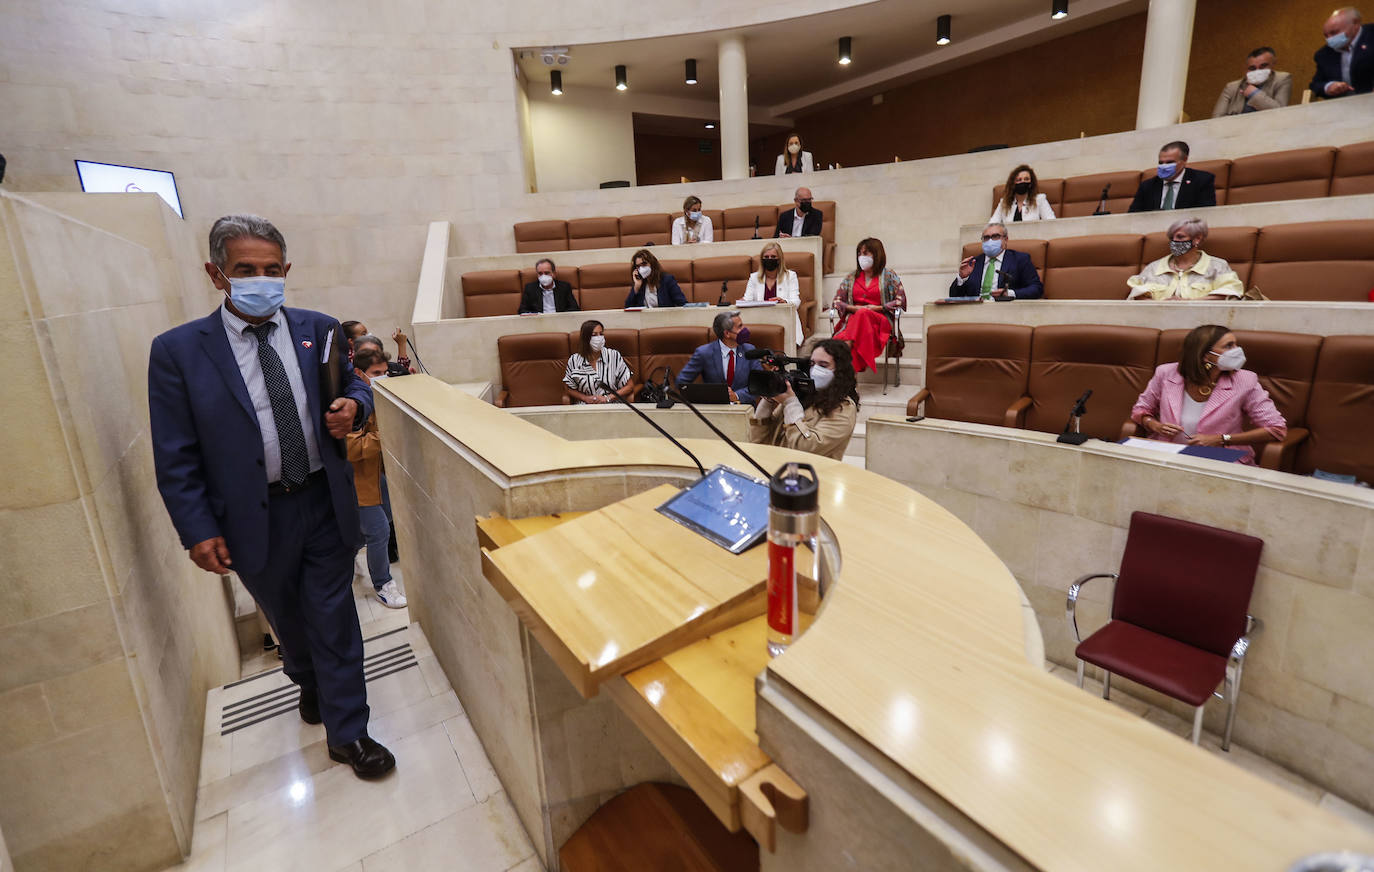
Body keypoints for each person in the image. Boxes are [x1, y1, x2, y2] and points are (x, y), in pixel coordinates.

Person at [148, 214, 395, 778]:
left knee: (334, 616)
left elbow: (356, 380)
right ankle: (307, 681)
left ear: (287, 271)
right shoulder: (179, 351)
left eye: (272, 269)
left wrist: (356, 405)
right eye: (246, 270)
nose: (262, 279)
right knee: (288, 620)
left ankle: (348, 733)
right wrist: (198, 528)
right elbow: (175, 452)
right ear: (217, 274)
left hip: (323, 501)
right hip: (251, 517)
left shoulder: (321, 327)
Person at [1130, 324, 1286, 465]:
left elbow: (1276, 428)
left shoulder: (1245, 380)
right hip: (1170, 454)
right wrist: (1155, 425)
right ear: (1205, 355)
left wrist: (1221, 439)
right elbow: (1140, 410)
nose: (1237, 351)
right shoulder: (1166, 373)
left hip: (1220, 459)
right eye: (1229, 346)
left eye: (1236, 344)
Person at [346, 348, 406, 609]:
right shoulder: (353, 402)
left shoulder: (376, 393)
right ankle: (383, 585)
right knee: (379, 530)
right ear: (359, 373)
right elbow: (352, 448)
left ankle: (344, 555)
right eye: (376, 373)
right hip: (358, 479)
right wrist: (387, 433)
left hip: (376, 475)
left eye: (385, 372)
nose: (383, 377)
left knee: (385, 520)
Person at [749, 339, 859, 460]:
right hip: (777, 469)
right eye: (812, 364)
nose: (815, 370)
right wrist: (769, 396)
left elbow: (804, 449)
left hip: (814, 475)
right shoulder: (802, 395)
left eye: (823, 365)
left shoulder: (844, 409)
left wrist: (791, 403)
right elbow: (758, 440)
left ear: (840, 371)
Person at [830, 238, 906, 373]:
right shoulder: (851, 277)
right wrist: (854, 308)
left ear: (877, 255)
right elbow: (837, 301)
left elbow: (900, 300)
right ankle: (850, 383)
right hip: (854, 321)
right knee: (858, 319)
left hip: (879, 321)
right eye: (859, 253)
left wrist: (878, 308)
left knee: (856, 323)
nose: (861, 257)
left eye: (866, 253)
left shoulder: (889, 276)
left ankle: (846, 377)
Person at [1127, 217, 1243, 301]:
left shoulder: (1218, 266)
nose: (1174, 241)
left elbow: (1228, 294)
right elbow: (1137, 295)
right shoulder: (1154, 267)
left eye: (1180, 237)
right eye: (1171, 238)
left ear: (1197, 239)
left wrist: (1188, 303)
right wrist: (1159, 305)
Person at [676, 310, 762, 405]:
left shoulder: (749, 350)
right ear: (727, 334)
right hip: (715, 410)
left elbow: (760, 385)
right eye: (740, 326)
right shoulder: (704, 353)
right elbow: (681, 382)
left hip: (745, 409)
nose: (745, 329)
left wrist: (737, 396)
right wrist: (710, 395)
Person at [950, 223, 1044, 300]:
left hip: (1005, 311)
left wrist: (1009, 293)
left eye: (995, 236)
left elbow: (1037, 289)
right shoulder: (973, 263)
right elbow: (954, 296)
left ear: (1006, 239)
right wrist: (962, 278)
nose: (990, 241)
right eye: (986, 238)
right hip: (975, 312)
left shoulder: (1020, 259)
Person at [1128, 141, 1217, 213]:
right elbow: (1133, 215)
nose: (1164, 166)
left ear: (1184, 160)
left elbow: (1206, 213)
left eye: (1169, 162)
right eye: (1161, 163)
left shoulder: (1202, 180)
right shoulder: (1147, 186)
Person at [563, 320, 633, 404]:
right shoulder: (574, 360)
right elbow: (568, 388)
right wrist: (585, 398)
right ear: (585, 338)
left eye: (601, 334)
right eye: (594, 335)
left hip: (611, 404)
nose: (599, 338)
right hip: (586, 406)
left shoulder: (613, 355)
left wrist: (608, 398)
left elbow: (629, 386)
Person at [743, 241, 804, 337]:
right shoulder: (754, 277)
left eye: (773, 257)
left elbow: (796, 302)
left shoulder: (790, 276)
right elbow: (747, 300)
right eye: (766, 257)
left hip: (784, 320)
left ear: (779, 259)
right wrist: (743, 301)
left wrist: (784, 301)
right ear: (762, 260)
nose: (769, 259)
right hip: (761, 321)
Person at [1212, 47, 1293, 116]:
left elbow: (1280, 112)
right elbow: (1216, 119)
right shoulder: (1232, 87)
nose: (1257, 71)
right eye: (1252, 68)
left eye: (1263, 66)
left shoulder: (1282, 79)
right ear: (1246, 69)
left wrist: (1254, 94)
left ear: (1273, 64)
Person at [1312, 7, 1373, 98]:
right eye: (1326, 35)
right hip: (1342, 106)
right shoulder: (1323, 54)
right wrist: (1328, 87)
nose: (1329, 39)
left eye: (1334, 32)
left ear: (1355, 23)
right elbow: (1316, 84)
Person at [990, 165, 1056, 223]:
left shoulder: (1040, 199)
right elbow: (992, 224)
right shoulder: (1003, 203)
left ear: (1031, 183)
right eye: (1019, 180)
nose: (1023, 182)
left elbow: (1051, 222)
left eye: (1026, 179)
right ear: (1013, 184)